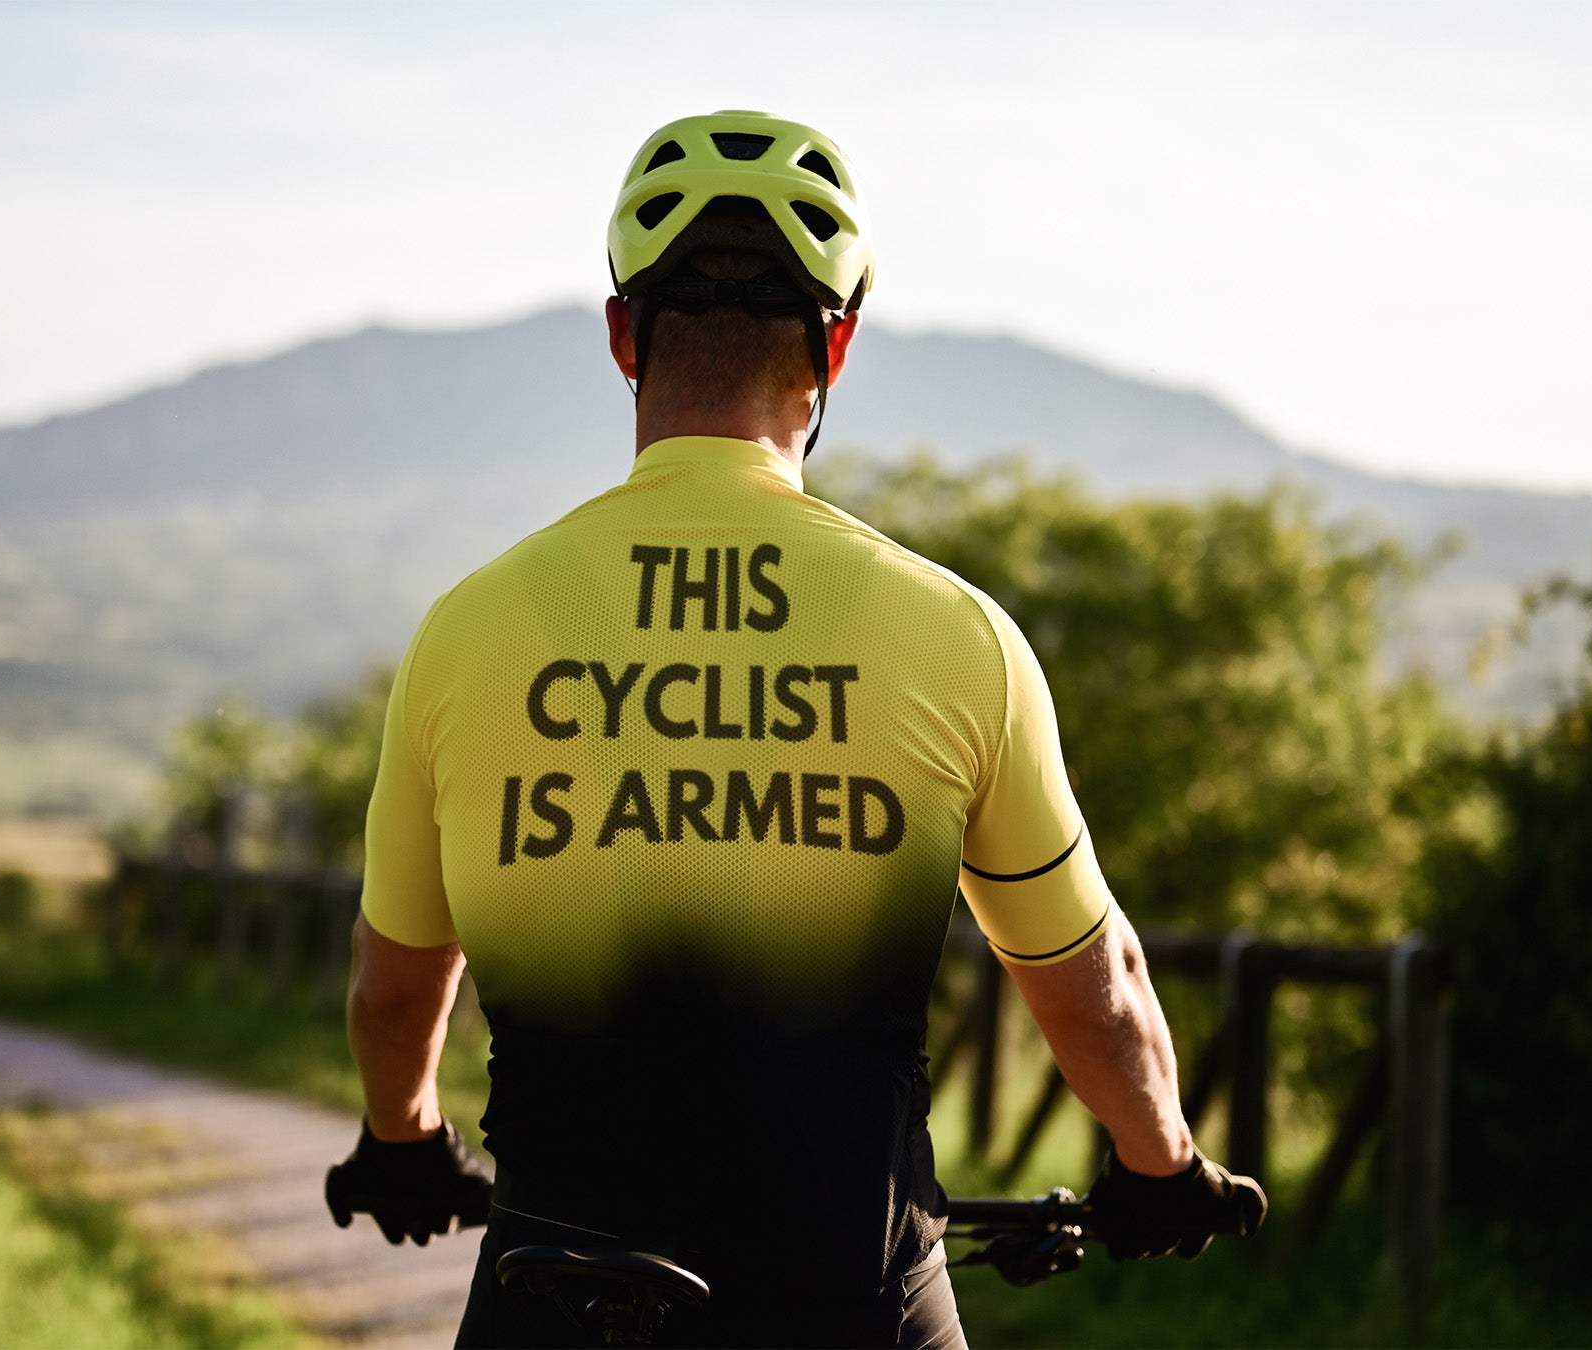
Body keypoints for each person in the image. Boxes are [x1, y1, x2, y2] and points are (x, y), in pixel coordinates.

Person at [323, 110, 1264, 1348]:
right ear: (836, 348)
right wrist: (1159, 1162)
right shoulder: (957, 637)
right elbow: (1097, 989)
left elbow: (396, 992)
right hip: (852, 1295)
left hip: (556, 1286)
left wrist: (403, 1141)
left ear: (623, 338)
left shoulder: (469, 629)